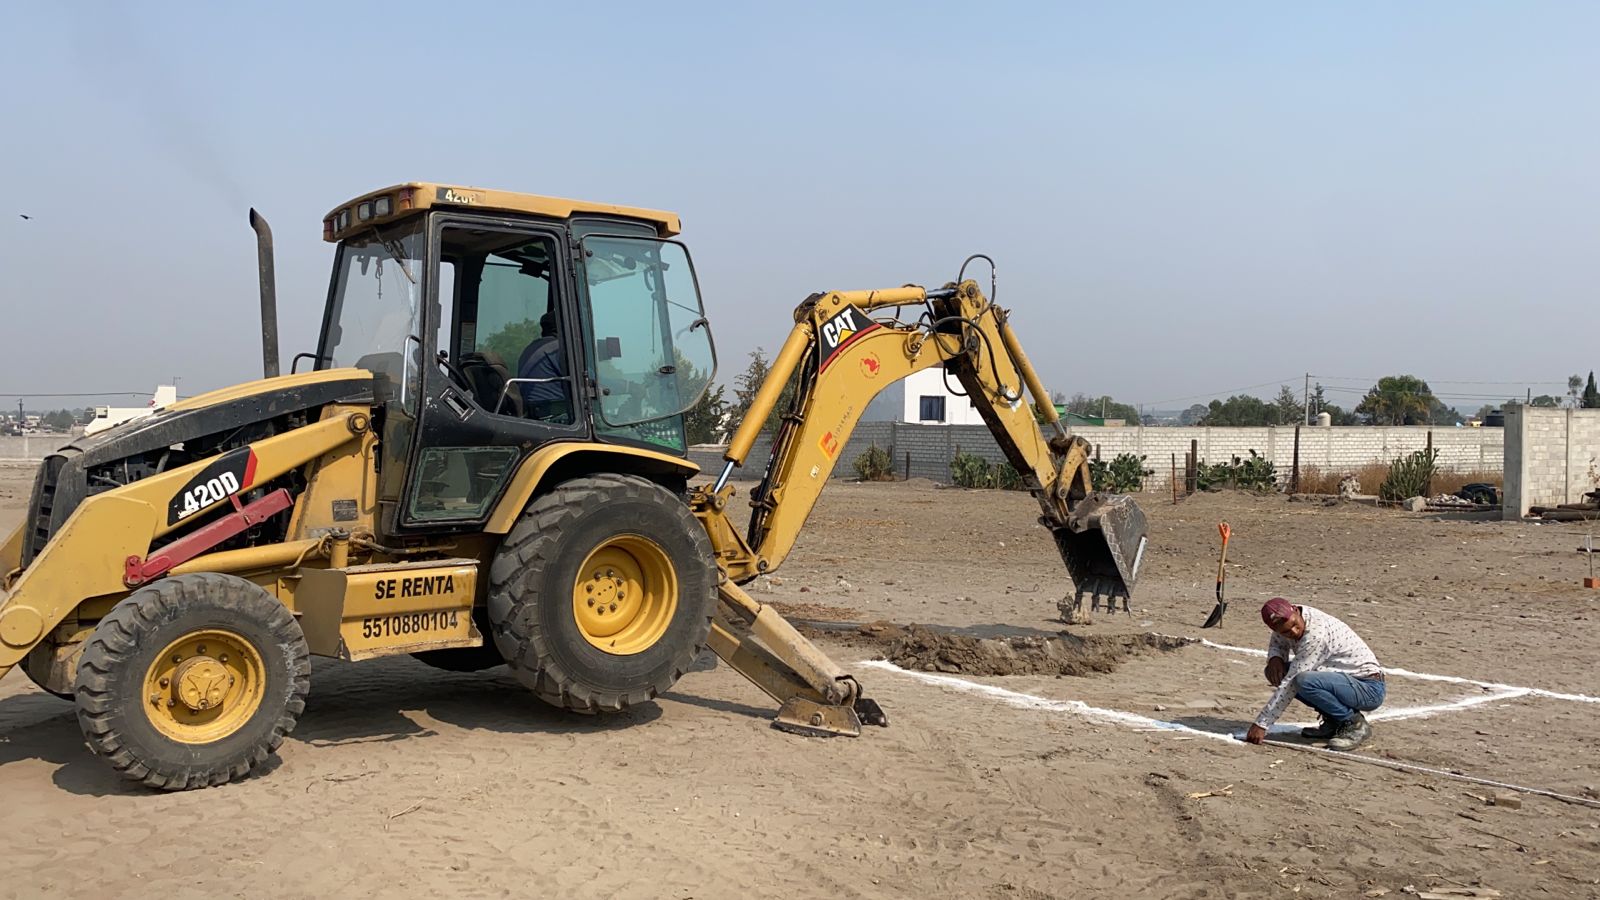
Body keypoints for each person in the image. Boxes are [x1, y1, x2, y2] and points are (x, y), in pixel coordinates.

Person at [1243, 597, 1385, 751]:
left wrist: (1262, 724)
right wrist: (1275, 658)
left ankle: (1354, 724)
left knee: (1303, 680)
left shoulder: (1316, 634)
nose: (1294, 632)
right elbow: (1278, 643)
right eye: (1285, 631)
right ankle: (1334, 720)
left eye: (1294, 625)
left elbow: (1291, 683)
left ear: (1296, 611)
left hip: (1368, 688)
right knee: (1275, 671)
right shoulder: (1286, 618)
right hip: (1342, 680)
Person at [517, 312, 570, 421]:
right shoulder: (558, 349)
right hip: (553, 412)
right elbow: (585, 378)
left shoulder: (531, 348)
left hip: (532, 411)